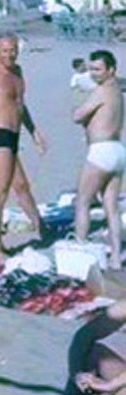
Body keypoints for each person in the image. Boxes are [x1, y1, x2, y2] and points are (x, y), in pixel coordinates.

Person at [0, 33, 48, 262]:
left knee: (14, 187)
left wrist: (34, 132)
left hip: (14, 136)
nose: (9, 54)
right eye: (4, 50)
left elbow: (20, 107)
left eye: (13, 49)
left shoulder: (18, 73)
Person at [72, 49, 124, 270]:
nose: (94, 73)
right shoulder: (118, 92)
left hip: (101, 151)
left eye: (98, 69)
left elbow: (77, 115)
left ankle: (80, 249)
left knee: (82, 201)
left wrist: (78, 110)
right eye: (91, 69)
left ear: (111, 70)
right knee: (110, 206)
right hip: (117, 150)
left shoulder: (102, 91)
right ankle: (116, 257)